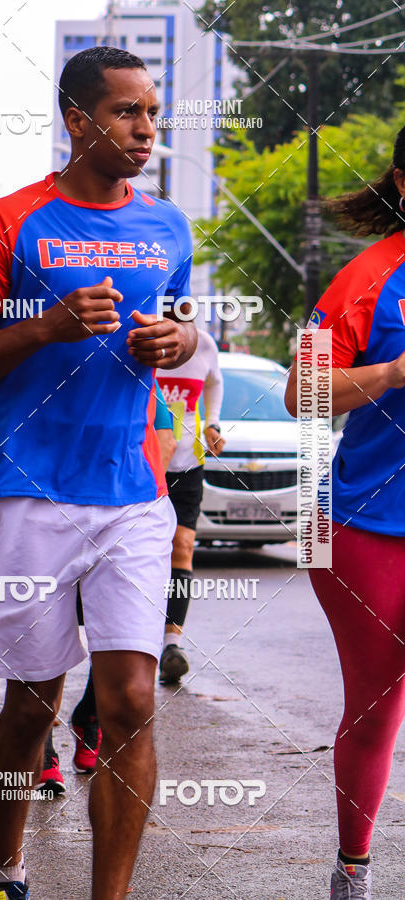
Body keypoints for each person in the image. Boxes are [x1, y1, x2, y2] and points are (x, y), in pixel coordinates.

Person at [0, 46, 197, 900]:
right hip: (34, 495)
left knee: (128, 700)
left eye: (153, 113)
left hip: (134, 495)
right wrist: (44, 328)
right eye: (127, 112)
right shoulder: (10, 220)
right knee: (32, 705)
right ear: (77, 120)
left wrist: (181, 340)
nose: (146, 129)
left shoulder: (168, 225)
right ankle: (4, 867)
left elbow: (185, 329)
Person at [285, 125, 405, 900]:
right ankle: (352, 871)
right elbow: (303, 393)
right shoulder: (370, 277)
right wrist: (393, 373)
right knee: (375, 710)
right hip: (369, 529)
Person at [37, 382, 177, 795]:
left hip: (121, 509)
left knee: (118, 638)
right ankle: (43, 747)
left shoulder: (132, 354)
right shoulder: (36, 343)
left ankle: (90, 715)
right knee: (46, 641)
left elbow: (164, 439)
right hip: (44, 509)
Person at [156, 327, 225, 683]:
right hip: (141, 464)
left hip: (187, 464)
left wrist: (212, 424)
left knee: (181, 548)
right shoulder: (143, 341)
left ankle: (171, 644)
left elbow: (215, 382)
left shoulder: (204, 345)